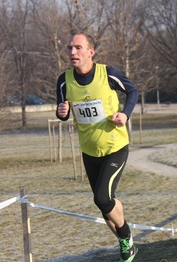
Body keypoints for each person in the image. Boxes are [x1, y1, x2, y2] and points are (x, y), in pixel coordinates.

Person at [56, 31, 139, 262]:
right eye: (70, 48)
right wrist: (61, 113)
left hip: (115, 146)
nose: (73, 52)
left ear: (90, 52)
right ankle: (128, 243)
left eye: (78, 48)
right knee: (106, 206)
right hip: (89, 151)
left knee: (102, 198)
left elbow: (132, 91)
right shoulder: (64, 80)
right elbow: (62, 110)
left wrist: (125, 114)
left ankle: (126, 236)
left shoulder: (108, 73)